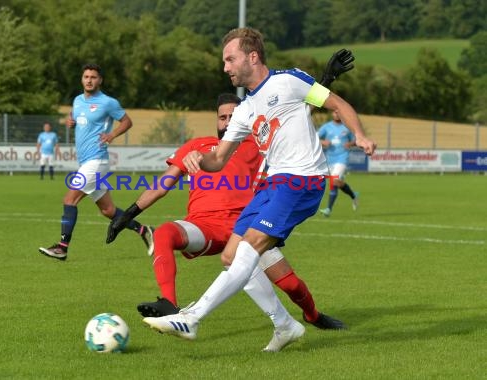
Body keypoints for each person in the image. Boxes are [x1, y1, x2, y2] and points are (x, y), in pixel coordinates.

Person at [140, 28, 376, 348]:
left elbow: (337, 103)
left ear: (253, 57)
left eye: (230, 59)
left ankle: (191, 318)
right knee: (232, 255)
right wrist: (200, 159)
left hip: (301, 180)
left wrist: (360, 136)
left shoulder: (288, 81)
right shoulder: (245, 110)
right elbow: (219, 159)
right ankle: (284, 325)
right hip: (271, 185)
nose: (225, 67)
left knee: (249, 249)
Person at [38, 63, 153, 261]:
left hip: (97, 160)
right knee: (108, 210)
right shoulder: (77, 101)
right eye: (86, 77)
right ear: (82, 79)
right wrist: (70, 122)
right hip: (86, 162)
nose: (89, 80)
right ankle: (145, 230)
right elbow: (77, 118)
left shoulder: (108, 102)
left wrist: (112, 134)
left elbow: (127, 121)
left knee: (69, 199)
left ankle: (62, 246)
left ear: (100, 80)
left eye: (93, 77)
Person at [317, 110, 359, 217]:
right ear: (332, 114)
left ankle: (328, 209)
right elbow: (315, 137)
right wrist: (323, 142)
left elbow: (356, 140)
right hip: (329, 159)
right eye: (335, 113)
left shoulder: (347, 127)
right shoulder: (326, 127)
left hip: (342, 158)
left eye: (338, 113)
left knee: (334, 182)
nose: (336, 114)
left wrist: (350, 143)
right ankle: (353, 195)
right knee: (336, 183)